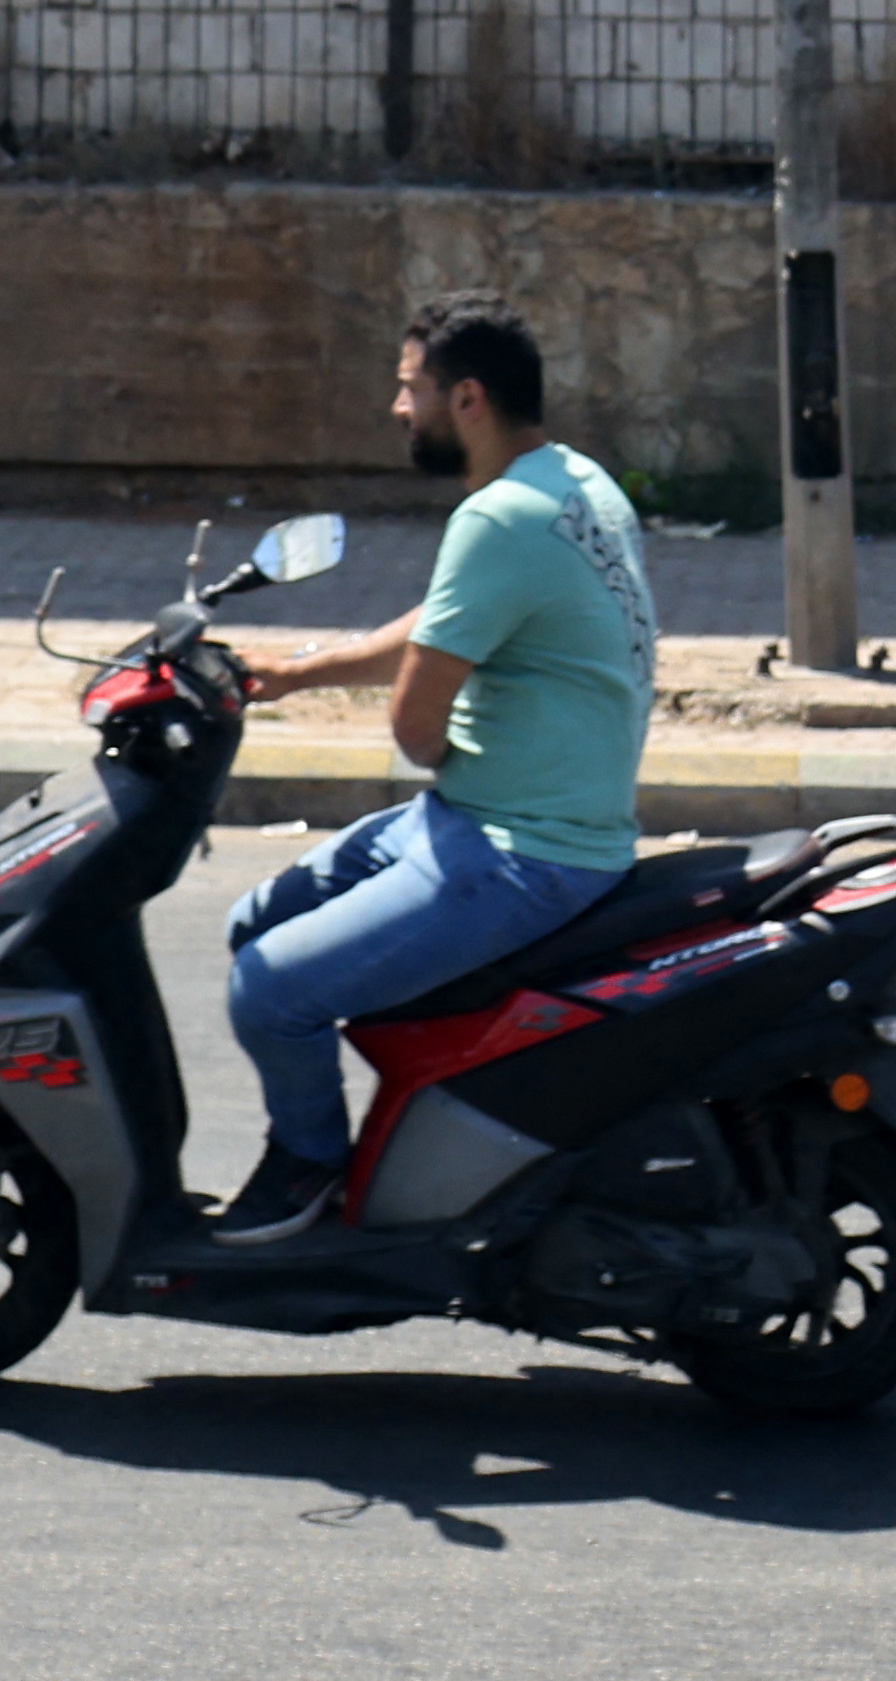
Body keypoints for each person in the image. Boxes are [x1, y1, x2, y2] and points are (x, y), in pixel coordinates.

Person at [200, 294, 662, 1236]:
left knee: (271, 990)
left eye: (410, 388)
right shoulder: (574, 482)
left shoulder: (498, 519)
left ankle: (313, 1172)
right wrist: (295, 675)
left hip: (524, 852)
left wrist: (447, 735)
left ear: (468, 400)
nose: (395, 407)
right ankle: (410, 1136)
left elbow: (418, 725)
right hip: (491, 820)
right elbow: (452, 625)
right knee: (260, 920)